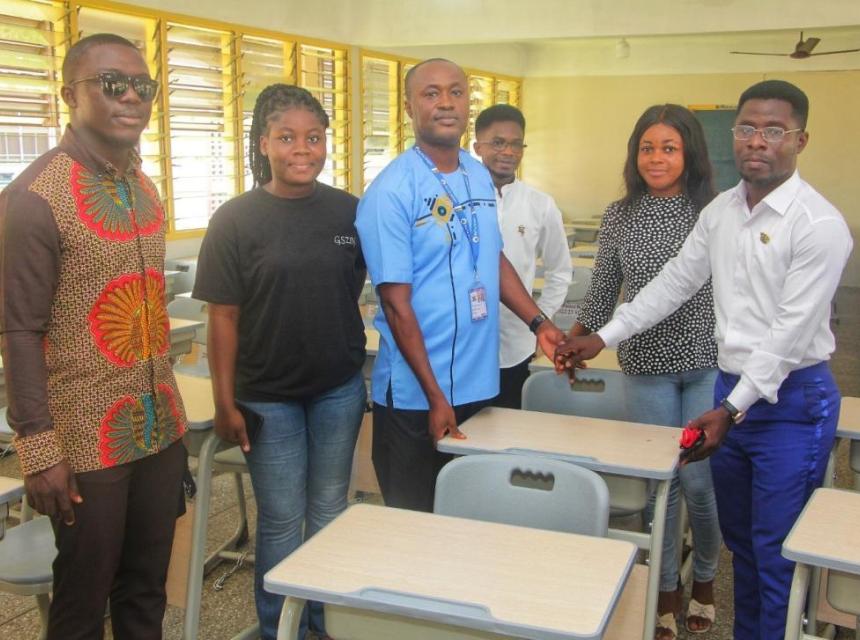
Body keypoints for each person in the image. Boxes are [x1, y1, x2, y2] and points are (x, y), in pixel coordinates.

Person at [556, 80, 853, 640]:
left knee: (777, 548)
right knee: (744, 542)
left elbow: (787, 337)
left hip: (789, 401)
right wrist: (604, 336)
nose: (757, 141)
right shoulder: (721, 211)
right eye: (747, 128)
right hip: (731, 392)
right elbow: (673, 284)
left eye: (774, 130)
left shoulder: (819, 225)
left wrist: (732, 408)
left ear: (800, 140)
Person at [0, 33, 188, 639]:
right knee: (83, 601)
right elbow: (18, 331)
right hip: (86, 436)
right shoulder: (33, 199)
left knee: (147, 589)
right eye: (112, 84)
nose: (131, 97)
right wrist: (38, 449)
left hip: (158, 423)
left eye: (143, 86)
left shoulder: (142, 185)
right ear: (69, 95)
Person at [193, 84, 366, 640]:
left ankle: (322, 621)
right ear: (263, 143)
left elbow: (355, 287)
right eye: (287, 137)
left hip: (338, 388)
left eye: (314, 138)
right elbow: (222, 318)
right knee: (283, 518)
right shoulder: (235, 220)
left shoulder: (349, 211)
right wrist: (224, 403)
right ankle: (278, 630)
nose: (302, 149)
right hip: (267, 396)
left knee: (330, 509)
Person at [356, 58, 564, 513]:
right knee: (417, 522)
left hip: (477, 385)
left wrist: (539, 323)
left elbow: (491, 258)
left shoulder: (476, 174)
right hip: (416, 398)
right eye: (431, 94)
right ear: (409, 108)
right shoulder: (392, 191)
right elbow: (395, 305)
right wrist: (435, 398)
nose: (446, 103)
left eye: (456, 92)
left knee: (475, 516)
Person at [569, 104, 721, 640]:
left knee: (699, 481)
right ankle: (665, 586)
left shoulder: (716, 211)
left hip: (707, 362)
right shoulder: (620, 214)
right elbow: (603, 287)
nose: (657, 158)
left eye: (669, 148)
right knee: (663, 483)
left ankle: (706, 577)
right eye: (647, 148)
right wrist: (575, 338)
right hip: (645, 364)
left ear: (690, 154)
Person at [473, 104, 571, 409]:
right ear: (477, 147)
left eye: (516, 144)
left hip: (517, 343)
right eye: (498, 142)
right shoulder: (461, 201)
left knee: (508, 424)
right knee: (463, 426)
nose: (508, 151)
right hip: (465, 344)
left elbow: (560, 271)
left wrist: (540, 320)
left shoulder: (540, 204)